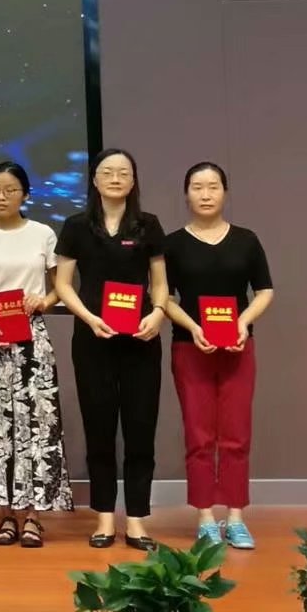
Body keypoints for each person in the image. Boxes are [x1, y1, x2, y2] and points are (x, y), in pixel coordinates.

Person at [53, 148, 168, 552]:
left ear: (133, 180)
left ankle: (136, 520)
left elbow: (160, 282)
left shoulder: (148, 224)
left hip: (141, 340)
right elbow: (63, 284)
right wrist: (89, 317)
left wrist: (158, 314)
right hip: (93, 339)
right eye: (107, 172)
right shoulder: (76, 226)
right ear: (95, 179)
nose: (115, 178)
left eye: (123, 172)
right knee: (99, 428)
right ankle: (104, 517)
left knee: (140, 429)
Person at [163, 161, 275, 550]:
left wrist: (243, 321)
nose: (206, 194)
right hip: (189, 346)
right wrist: (193, 327)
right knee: (199, 435)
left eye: (213, 186)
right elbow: (164, 298)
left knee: (236, 435)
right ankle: (206, 518)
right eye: (197, 187)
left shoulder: (246, 240)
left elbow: (264, 291)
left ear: (225, 192)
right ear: (186, 194)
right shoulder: (173, 244)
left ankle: (236, 518)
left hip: (238, 347)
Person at [0, 161, 73, 549]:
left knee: (35, 423)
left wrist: (45, 301)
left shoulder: (43, 234)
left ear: (25, 194)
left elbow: (62, 286)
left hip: (31, 334)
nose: (2, 196)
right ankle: (6, 513)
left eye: (10, 189)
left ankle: (33, 516)